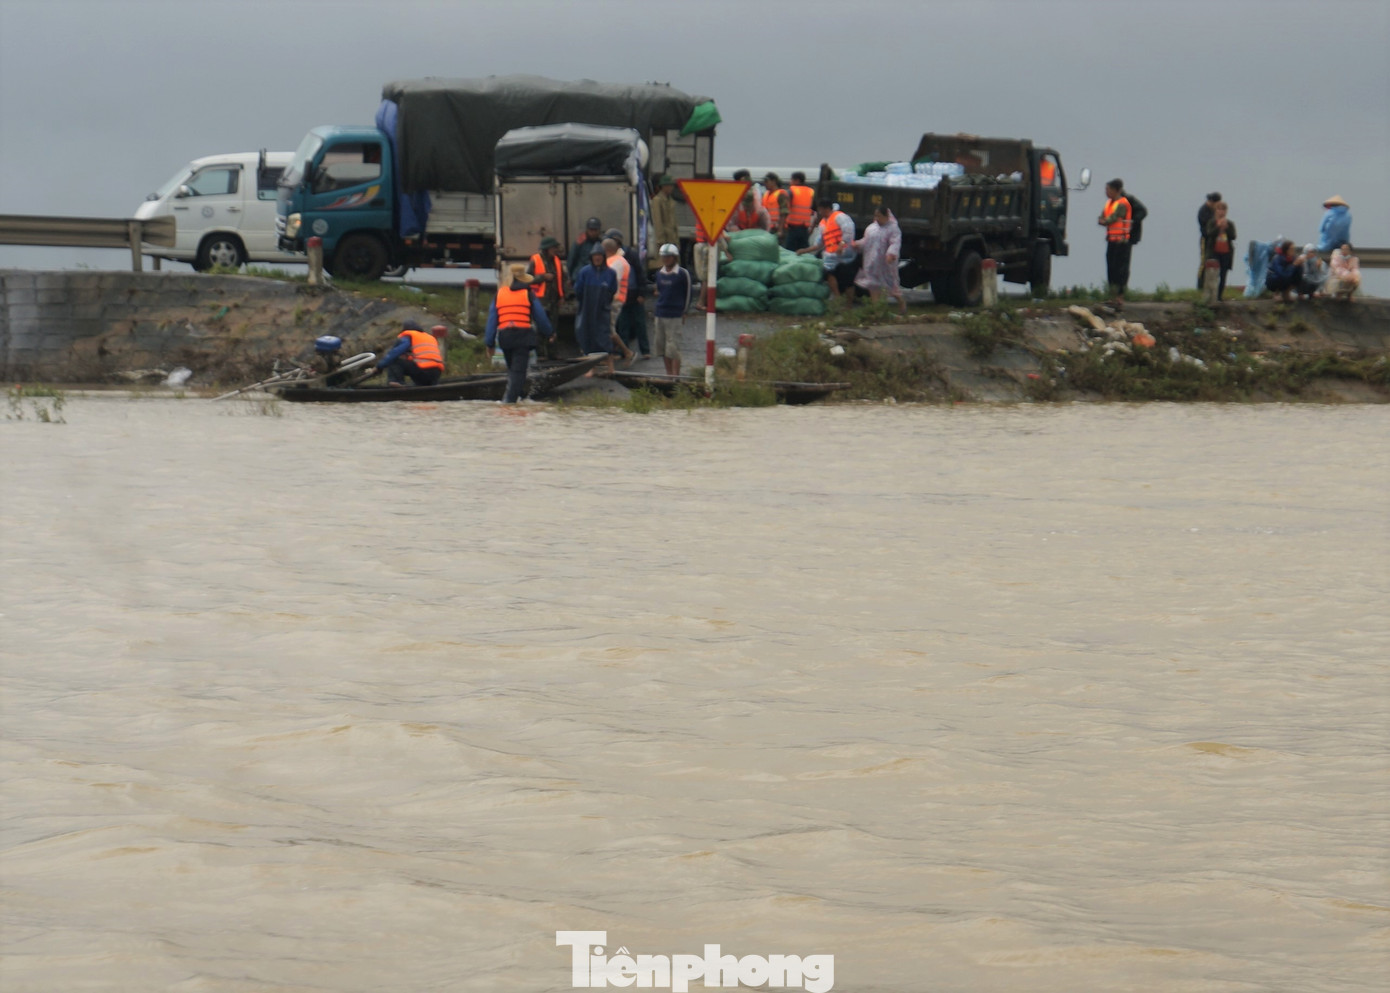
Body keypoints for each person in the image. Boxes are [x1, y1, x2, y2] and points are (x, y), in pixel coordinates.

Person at [484, 264, 556, 403]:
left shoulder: (499, 294)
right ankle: (509, 403)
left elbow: (492, 321)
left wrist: (489, 343)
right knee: (518, 372)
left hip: (505, 338)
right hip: (523, 337)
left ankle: (520, 398)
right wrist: (550, 333)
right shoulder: (528, 294)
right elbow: (540, 317)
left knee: (513, 371)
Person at [797, 198, 858, 300]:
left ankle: (849, 305)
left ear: (825, 209)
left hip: (845, 254)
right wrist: (804, 250)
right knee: (828, 274)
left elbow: (849, 231)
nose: (819, 212)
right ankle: (837, 298)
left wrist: (841, 245)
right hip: (831, 256)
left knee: (848, 280)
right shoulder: (823, 224)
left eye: (820, 209)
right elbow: (819, 243)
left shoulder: (839, 217)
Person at [572, 245, 619, 373]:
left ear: (603, 257)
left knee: (604, 336)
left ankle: (610, 366)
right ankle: (590, 368)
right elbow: (578, 290)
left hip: (602, 310)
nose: (597, 258)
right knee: (587, 335)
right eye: (595, 256)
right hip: (587, 309)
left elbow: (612, 290)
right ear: (591, 257)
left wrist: (605, 302)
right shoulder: (584, 272)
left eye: (599, 256)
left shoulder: (610, 273)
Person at [606, 228, 650, 360]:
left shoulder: (630, 254)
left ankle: (645, 350)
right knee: (622, 325)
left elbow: (640, 273)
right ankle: (622, 351)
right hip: (621, 297)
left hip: (633, 294)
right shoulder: (611, 258)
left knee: (640, 323)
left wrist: (641, 293)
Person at [853, 206, 906, 315]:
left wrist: (891, 254)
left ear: (886, 216)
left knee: (891, 286)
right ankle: (877, 311)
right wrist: (857, 244)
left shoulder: (893, 229)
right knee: (873, 285)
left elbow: (895, 243)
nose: (877, 218)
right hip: (872, 261)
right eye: (875, 215)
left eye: (879, 216)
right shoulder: (871, 228)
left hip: (885, 263)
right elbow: (865, 241)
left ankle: (901, 304)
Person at [651, 243, 692, 376]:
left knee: (673, 348)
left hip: (675, 315)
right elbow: (659, 290)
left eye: (669, 257)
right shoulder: (659, 274)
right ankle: (668, 374)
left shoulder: (682, 274)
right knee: (662, 347)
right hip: (660, 313)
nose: (666, 259)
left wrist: (684, 312)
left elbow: (688, 294)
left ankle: (676, 376)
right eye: (664, 257)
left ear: (675, 258)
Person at [373, 320, 444, 387]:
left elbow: (395, 353)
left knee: (394, 360)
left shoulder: (408, 336)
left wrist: (379, 366)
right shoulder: (429, 337)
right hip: (436, 372)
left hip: (423, 369)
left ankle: (396, 382)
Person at [527, 236, 565, 358]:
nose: (556, 250)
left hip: (554, 300)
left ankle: (553, 353)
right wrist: (543, 277)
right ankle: (541, 354)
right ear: (546, 249)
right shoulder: (535, 260)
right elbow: (528, 279)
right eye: (553, 247)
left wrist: (562, 296)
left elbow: (562, 279)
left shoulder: (557, 261)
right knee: (540, 328)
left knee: (553, 327)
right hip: (540, 300)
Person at [602, 238, 637, 366]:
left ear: (607, 250)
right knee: (607, 329)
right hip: (615, 299)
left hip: (614, 300)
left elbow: (612, 283)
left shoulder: (616, 263)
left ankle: (626, 352)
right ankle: (608, 357)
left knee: (609, 330)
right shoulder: (616, 260)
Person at [1098, 178, 1133, 299]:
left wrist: (1104, 221)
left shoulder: (1122, 203)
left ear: (1115, 190)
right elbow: (1101, 217)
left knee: (1120, 270)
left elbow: (1111, 218)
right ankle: (1112, 294)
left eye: (1108, 189)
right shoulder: (1109, 203)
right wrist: (1103, 220)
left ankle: (1120, 296)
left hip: (1121, 241)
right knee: (1111, 268)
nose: (1106, 192)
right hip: (1111, 240)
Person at [1201, 200, 1237, 300]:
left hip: (1226, 253)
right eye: (1219, 209)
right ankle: (1211, 296)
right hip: (1214, 253)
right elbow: (1209, 234)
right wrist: (1218, 227)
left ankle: (1219, 296)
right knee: (1213, 275)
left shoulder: (1230, 223)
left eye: (1223, 209)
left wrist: (1226, 228)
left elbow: (1233, 236)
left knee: (1223, 275)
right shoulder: (1211, 222)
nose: (1221, 212)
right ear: (1216, 211)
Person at [648, 175, 680, 271]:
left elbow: (674, 222)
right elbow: (658, 221)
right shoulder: (657, 201)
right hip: (664, 238)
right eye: (669, 186)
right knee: (663, 265)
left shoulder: (670, 201)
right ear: (664, 187)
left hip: (672, 237)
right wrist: (660, 240)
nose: (671, 188)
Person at [784, 171, 816, 251]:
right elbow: (815, 211)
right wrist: (812, 228)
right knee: (804, 252)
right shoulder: (811, 192)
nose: (790, 182)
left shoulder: (791, 191)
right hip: (805, 228)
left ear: (797, 180)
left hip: (793, 228)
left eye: (791, 180)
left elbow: (785, 209)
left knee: (789, 252)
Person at [1197, 191, 1222, 287]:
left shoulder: (1213, 211)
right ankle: (1200, 285)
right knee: (1204, 263)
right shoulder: (1204, 211)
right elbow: (1207, 228)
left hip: (1214, 241)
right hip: (1205, 240)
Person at [762, 173, 789, 241]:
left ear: (774, 181)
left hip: (777, 229)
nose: (765, 184)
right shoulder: (766, 194)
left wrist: (780, 230)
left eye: (767, 181)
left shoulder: (781, 194)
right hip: (767, 228)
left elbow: (784, 213)